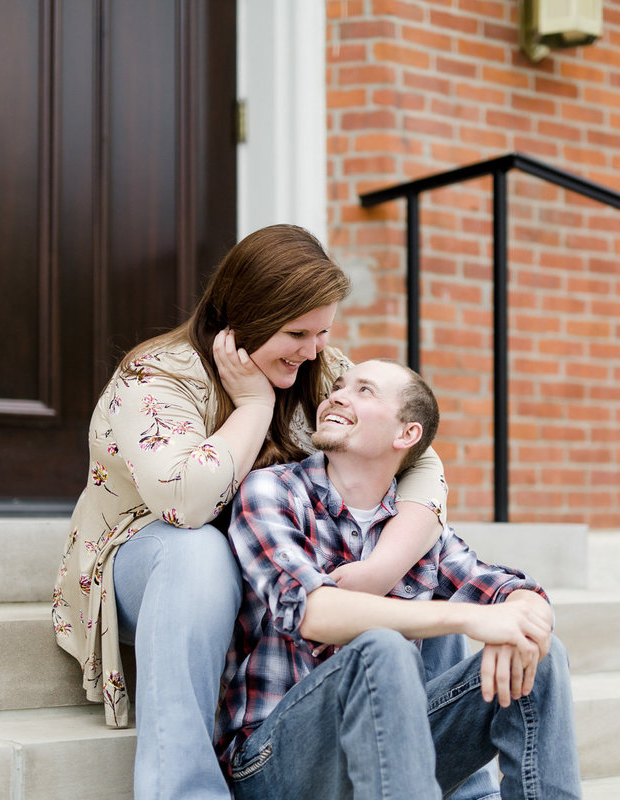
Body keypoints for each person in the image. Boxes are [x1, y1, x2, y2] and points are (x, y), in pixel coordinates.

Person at [51, 226, 454, 800]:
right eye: (298, 332)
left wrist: (382, 568)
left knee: (421, 546)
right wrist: (255, 406)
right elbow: (189, 504)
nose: (315, 350)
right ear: (243, 319)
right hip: (157, 564)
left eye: (323, 331)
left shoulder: (320, 368)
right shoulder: (157, 377)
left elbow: (416, 459)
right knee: (201, 552)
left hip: (268, 564)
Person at [215, 359, 583, 799]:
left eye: (364, 391)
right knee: (383, 650)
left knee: (538, 652)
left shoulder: (417, 532)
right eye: (338, 386)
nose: (336, 395)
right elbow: (312, 611)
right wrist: (464, 618)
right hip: (274, 760)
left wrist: (525, 613)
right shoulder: (272, 491)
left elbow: (517, 591)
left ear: (406, 434)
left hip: (393, 756)